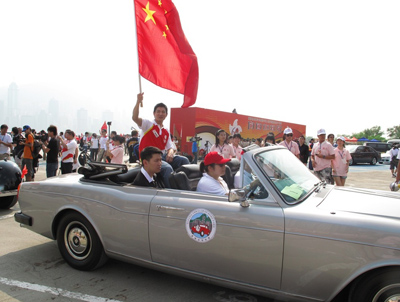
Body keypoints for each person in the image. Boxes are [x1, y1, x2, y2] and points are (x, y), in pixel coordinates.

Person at [132, 93, 189, 187]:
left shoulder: (166, 130)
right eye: (158, 111)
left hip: (162, 157)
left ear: (166, 115)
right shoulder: (148, 124)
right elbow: (135, 118)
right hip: (149, 158)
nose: (160, 114)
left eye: (163, 112)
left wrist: (170, 153)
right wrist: (138, 102)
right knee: (167, 169)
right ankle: (169, 194)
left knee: (184, 160)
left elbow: (170, 147)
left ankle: (183, 185)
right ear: (154, 113)